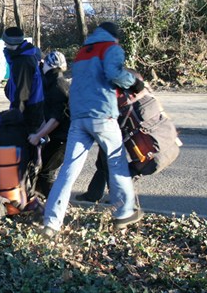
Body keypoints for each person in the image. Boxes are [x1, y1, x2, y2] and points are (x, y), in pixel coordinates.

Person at [42, 21, 145, 238]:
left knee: (68, 171)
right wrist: (134, 83)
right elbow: (114, 73)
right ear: (114, 37)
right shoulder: (111, 48)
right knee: (117, 163)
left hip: (79, 117)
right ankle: (124, 212)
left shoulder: (82, 52)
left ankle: (51, 222)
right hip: (103, 116)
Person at [27, 51, 71, 198]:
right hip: (61, 137)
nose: (41, 66)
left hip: (63, 138)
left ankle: (55, 205)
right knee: (42, 170)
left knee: (47, 172)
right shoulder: (56, 82)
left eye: (44, 63)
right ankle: (39, 201)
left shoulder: (57, 86)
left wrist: (38, 135)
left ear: (49, 65)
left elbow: (55, 119)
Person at [2, 27, 44, 134]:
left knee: (26, 144)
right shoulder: (29, 54)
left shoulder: (22, 61)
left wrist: (14, 116)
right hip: (36, 106)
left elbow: (23, 91)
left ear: (8, 42)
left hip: (29, 111)